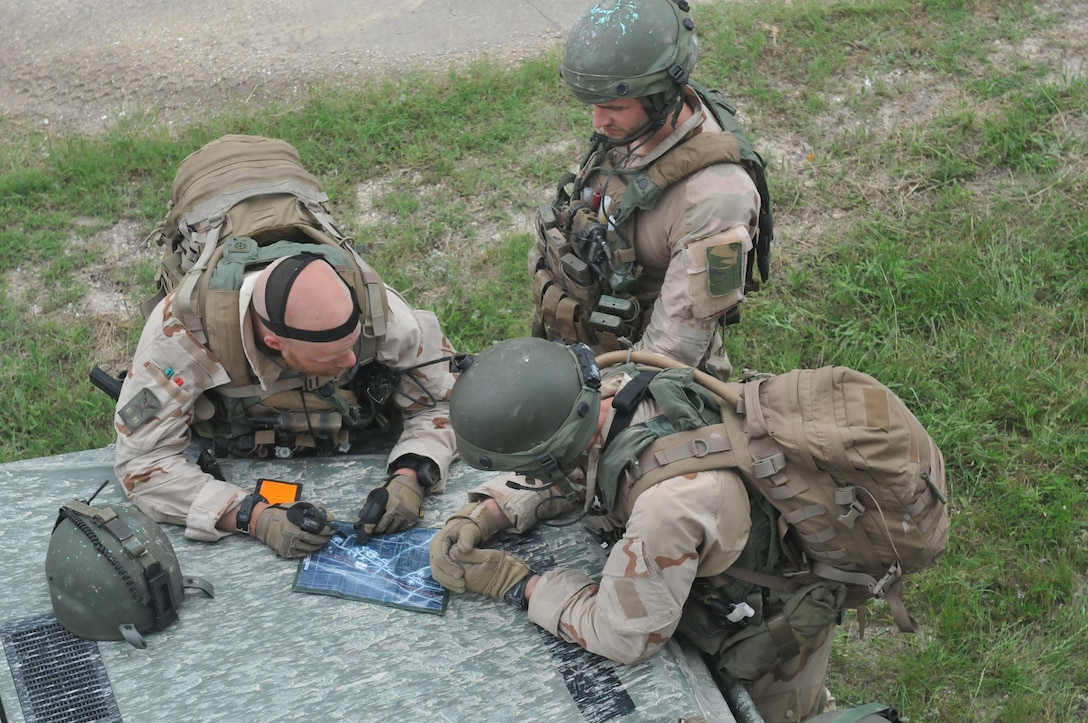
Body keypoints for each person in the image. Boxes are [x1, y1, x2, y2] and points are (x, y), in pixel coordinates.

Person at [429, 337, 840, 722]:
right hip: (709, 575)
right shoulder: (618, 394)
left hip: (773, 634)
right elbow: (577, 464)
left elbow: (625, 637)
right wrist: (488, 511)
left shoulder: (667, 507)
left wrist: (518, 583)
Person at [113, 248, 459, 558]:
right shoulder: (182, 335)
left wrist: (412, 475)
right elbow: (143, 463)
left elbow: (446, 403)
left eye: (354, 346)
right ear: (274, 343)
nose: (351, 362)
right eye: (331, 358)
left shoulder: (384, 312)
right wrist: (253, 517)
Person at [529, 0, 771, 379]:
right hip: (590, 328)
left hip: (651, 373)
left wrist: (600, 399)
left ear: (661, 98)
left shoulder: (716, 202)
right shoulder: (638, 119)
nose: (597, 121)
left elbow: (674, 348)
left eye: (613, 107)